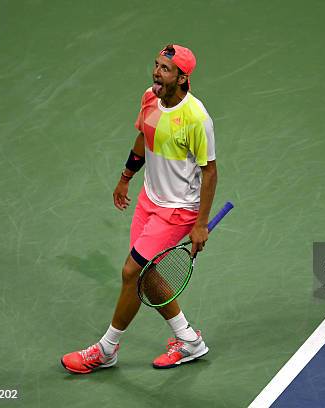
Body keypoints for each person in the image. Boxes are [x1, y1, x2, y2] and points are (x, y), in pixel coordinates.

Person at [61, 44, 217, 373]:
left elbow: (210, 172)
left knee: (131, 271)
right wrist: (125, 177)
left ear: (182, 77)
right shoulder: (149, 97)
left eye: (165, 69)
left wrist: (200, 223)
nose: (156, 73)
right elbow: (143, 138)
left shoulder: (197, 119)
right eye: (156, 65)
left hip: (178, 209)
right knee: (146, 275)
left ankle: (106, 350)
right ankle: (189, 341)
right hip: (149, 200)